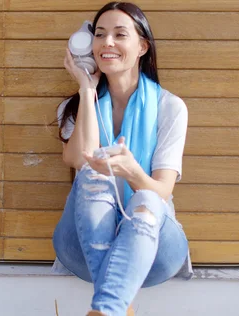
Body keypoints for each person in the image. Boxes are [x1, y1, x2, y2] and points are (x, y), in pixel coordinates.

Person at [51, 2, 193, 316]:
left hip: (153, 249)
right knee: (93, 172)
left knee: (149, 196)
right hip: (83, 245)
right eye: (99, 35)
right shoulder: (76, 106)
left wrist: (131, 171)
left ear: (142, 46)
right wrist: (87, 89)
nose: (108, 43)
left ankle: (107, 307)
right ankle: (116, 305)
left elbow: (163, 190)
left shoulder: (170, 107)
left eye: (119, 34)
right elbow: (77, 158)